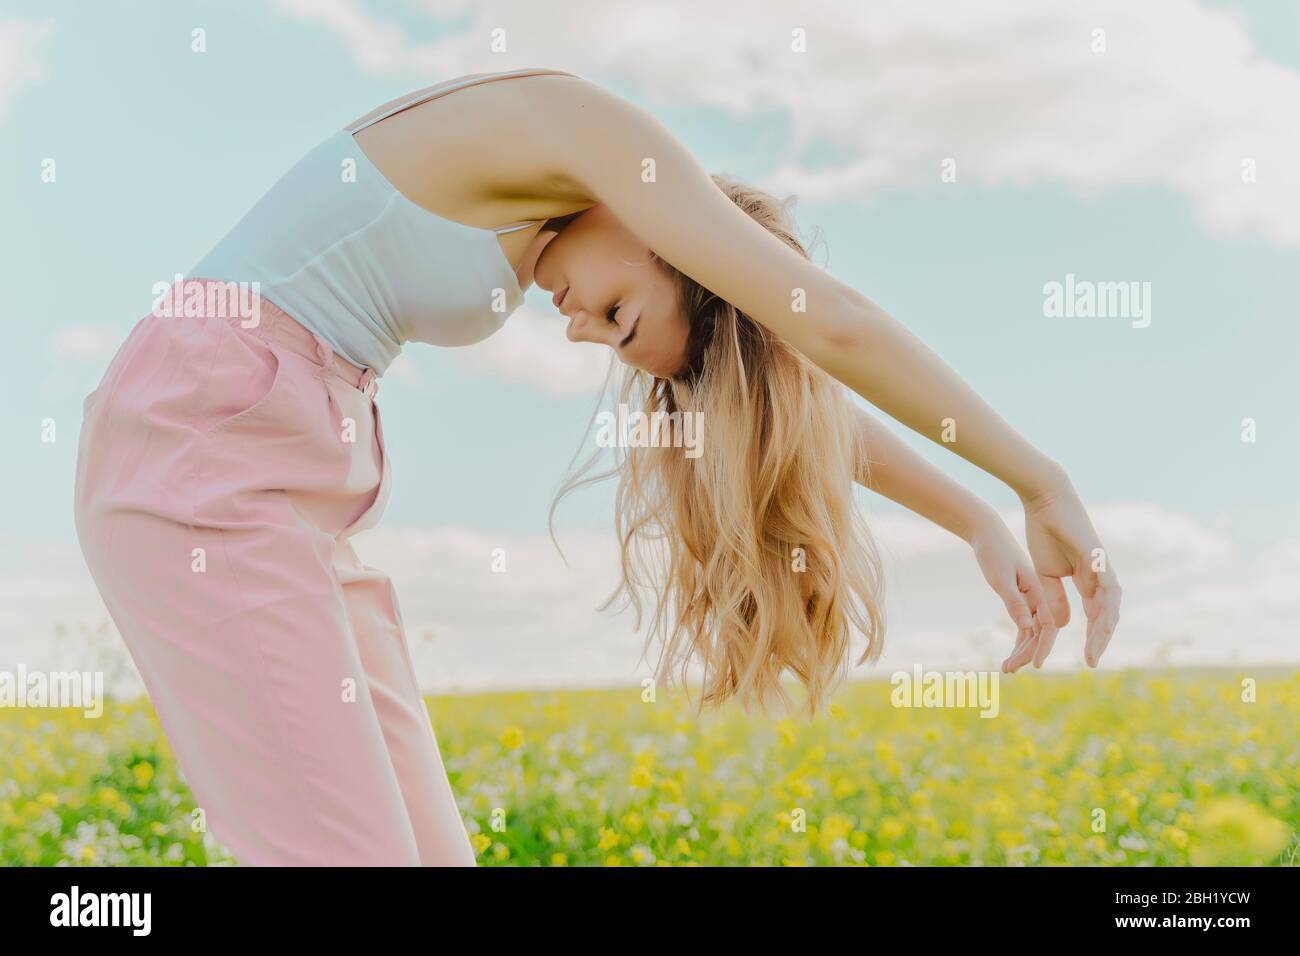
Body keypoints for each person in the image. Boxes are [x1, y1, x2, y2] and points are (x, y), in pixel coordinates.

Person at [73, 66, 1121, 866]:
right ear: (688, 243)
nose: (579, 333)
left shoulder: (561, 210)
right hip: (200, 446)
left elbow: (802, 401)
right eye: (621, 318)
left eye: (611, 332)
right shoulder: (588, 134)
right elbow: (829, 325)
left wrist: (974, 517)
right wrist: (1039, 480)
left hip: (293, 479)